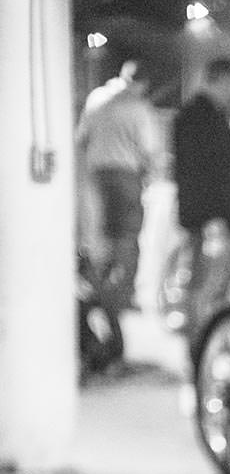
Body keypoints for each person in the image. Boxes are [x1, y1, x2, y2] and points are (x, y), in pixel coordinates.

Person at [172, 56, 230, 346]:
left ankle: (198, 338)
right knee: (207, 283)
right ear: (222, 80)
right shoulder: (203, 118)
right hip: (212, 217)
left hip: (204, 215)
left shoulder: (195, 115)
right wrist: (220, 216)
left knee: (202, 279)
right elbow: (208, 173)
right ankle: (201, 341)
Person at [75, 58, 164, 318]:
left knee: (100, 234)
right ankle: (121, 296)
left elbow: (81, 138)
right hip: (126, 176)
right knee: (127, 236)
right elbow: (150, 151)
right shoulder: (139, 108)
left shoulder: (96, 99)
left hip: (95, 176)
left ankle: (98, 291)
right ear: (143, 83)